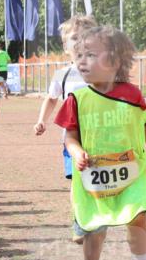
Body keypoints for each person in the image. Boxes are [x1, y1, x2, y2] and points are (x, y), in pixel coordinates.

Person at [54, 26, 146, 260]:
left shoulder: (133, 94)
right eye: (78, 55)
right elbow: (69, 136)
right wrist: (77, 151)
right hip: (94, 177)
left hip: (131, 173)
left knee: (137, 216)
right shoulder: (76, 99)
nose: (81, 61)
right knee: (95, 228)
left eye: (90, 54)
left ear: (115, 61)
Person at [33, 14, 99, 196]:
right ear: (65, 46)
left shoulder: (103, 72)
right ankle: (80, 220)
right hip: (73, 140)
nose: (80, 42)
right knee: (78, 183)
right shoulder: (62, 75)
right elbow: (52, 98)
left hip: (102, 137)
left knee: (101, 182)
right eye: (75, 38)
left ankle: (100, 217)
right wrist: (42, 121)